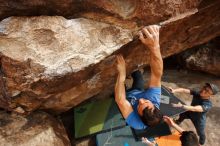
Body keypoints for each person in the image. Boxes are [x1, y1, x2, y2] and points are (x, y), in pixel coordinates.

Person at [114, 25, 163, 130]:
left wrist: (122, 73)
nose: (141, 100)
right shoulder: (154, 100)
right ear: (153, 105)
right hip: (138, 90)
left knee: (118, 91)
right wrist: (154, 47)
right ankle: (134, 73)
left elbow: (120, 100)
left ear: (139, 115)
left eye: (139, 106)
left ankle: (125, 84)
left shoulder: (136, 122)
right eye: (146, 102)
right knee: (138, 76)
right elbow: (156, 74)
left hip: (126, 99)